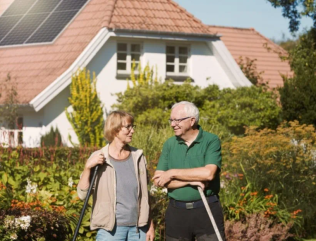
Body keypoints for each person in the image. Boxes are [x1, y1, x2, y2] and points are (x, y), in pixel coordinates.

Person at [153, 101, 225, 241]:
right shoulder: (169, 144)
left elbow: (208, 174)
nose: (172, 124)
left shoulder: (211, 140)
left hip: (206, 208)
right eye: (171, 120)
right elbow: (158, 180)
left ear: (192, 121)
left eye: (177, 120)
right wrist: (193, 180)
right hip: (176, 212)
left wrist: (172, 173)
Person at [77, 111, 155, 241]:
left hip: (138, 229)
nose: (132, 131)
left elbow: (144, 196)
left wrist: (150, 226)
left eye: (132, 126)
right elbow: (82, 194)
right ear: (115, 129)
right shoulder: (100, 157)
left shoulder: (138, 157)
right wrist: (87, 168)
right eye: (128, 127)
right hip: (110, 231)